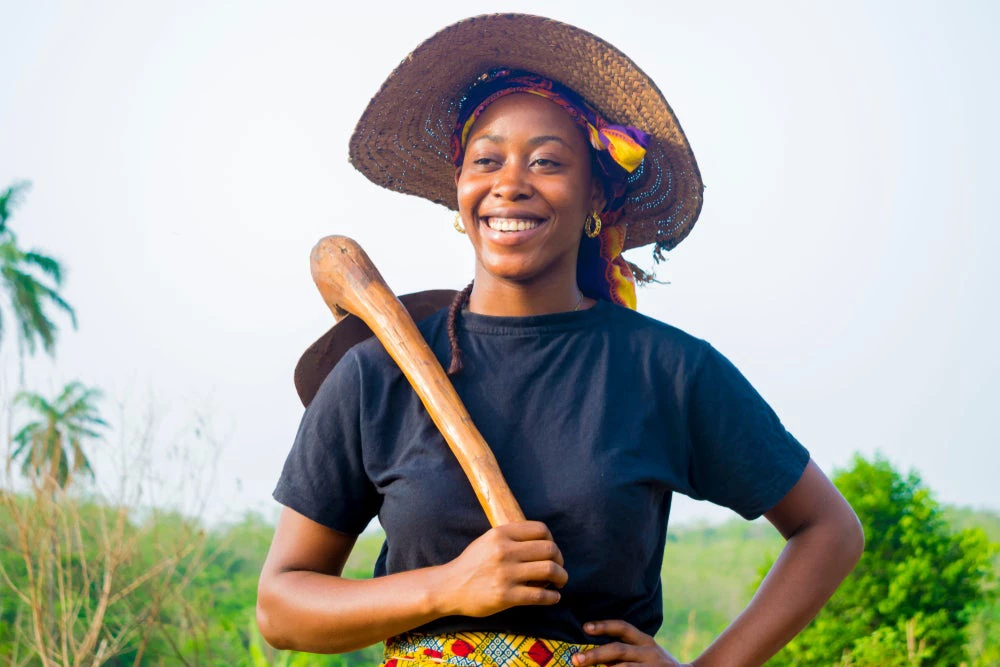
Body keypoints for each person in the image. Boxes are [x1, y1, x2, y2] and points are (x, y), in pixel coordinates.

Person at [257, 14, 864, 667]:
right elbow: (282, 606)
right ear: (461, 191)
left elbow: (828, 529)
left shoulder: (667, 370)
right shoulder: (376, 375)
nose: (510, 181)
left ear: (596, 194)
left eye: (546, 161)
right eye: (486, 159)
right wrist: (447, 585)